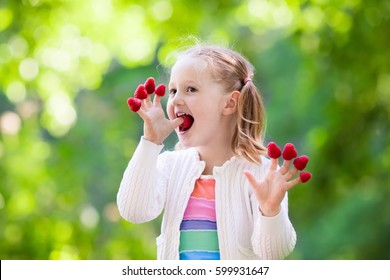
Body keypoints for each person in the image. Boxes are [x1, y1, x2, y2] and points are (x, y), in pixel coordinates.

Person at [117, 43, 304, 260]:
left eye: (191, 89)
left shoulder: (261, 173)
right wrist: (150, 142)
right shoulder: (170, 165)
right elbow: (134, 211)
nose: (175, 99)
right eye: (173, 90)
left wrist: (271, 212)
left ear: (229, 103)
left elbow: (274, 252)